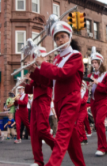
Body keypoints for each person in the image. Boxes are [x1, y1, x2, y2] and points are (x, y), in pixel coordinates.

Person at [32, 20, 86, 166]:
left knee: (61, 137)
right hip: (59, 101)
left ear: (69, 37)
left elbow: (63, 73)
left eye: (62, 36)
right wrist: (34, 71)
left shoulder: (75, 56)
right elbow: (49, 82)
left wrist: (43, 64)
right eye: (57, 38)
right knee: (72, 138)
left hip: (70, 99)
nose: (60, 40)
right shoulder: (57, 58)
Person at [24, 47, 56, 166]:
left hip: (44, 99)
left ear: (46, 57)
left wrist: (34, 72)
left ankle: (57, 147)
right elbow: (30, 89)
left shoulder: (48, 68)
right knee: (34, 132)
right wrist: (26, 82)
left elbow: (45, 81)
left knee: (42, 129)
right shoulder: (37, 70)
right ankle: (38, 160)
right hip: (36, 101)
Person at [88, 47, 107, 157]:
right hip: (93, 101)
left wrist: (97, 83)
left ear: (100, 63)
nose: (94, 64)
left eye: (96, 62)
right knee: (97, 125)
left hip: (103, 101)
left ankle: (101, 147)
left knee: (99, 122)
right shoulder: (90, 75)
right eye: (92, 62)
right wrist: (87, 85)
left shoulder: (106, 75)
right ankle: (104, 147)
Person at [77, 81, 90, 145]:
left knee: (79, 123)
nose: (80, 87)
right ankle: (84, 139)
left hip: (83, 110)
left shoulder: (85, 92)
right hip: (77, 110)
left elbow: (84, 101)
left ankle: (80, 139)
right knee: (81, 125)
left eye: (81, 86)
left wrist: (76, 102)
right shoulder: (77, 92)